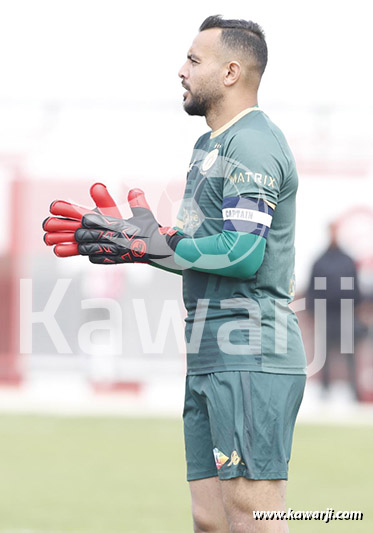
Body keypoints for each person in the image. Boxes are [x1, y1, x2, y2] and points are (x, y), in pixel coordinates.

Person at [43, 15, 307, 532]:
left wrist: (155, 244)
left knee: (252, 520)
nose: (181, 71)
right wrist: (137, 243)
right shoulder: (207, 147)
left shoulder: (252, 143)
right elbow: (194, 249)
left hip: (250, 351)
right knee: (210, 520)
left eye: (192, 60)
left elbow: (242, 254)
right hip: (210, 351)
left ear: (231, 72)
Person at [307, 221, 362, 401]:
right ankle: (325, 391)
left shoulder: (347, 260)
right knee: (323, 354)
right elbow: (313, 288)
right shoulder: (320, 261)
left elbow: (355, 287)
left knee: (349, 353)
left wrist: (355, 309)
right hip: (325, 313)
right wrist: (313, 310)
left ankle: (354, 392)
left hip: (345, 312)